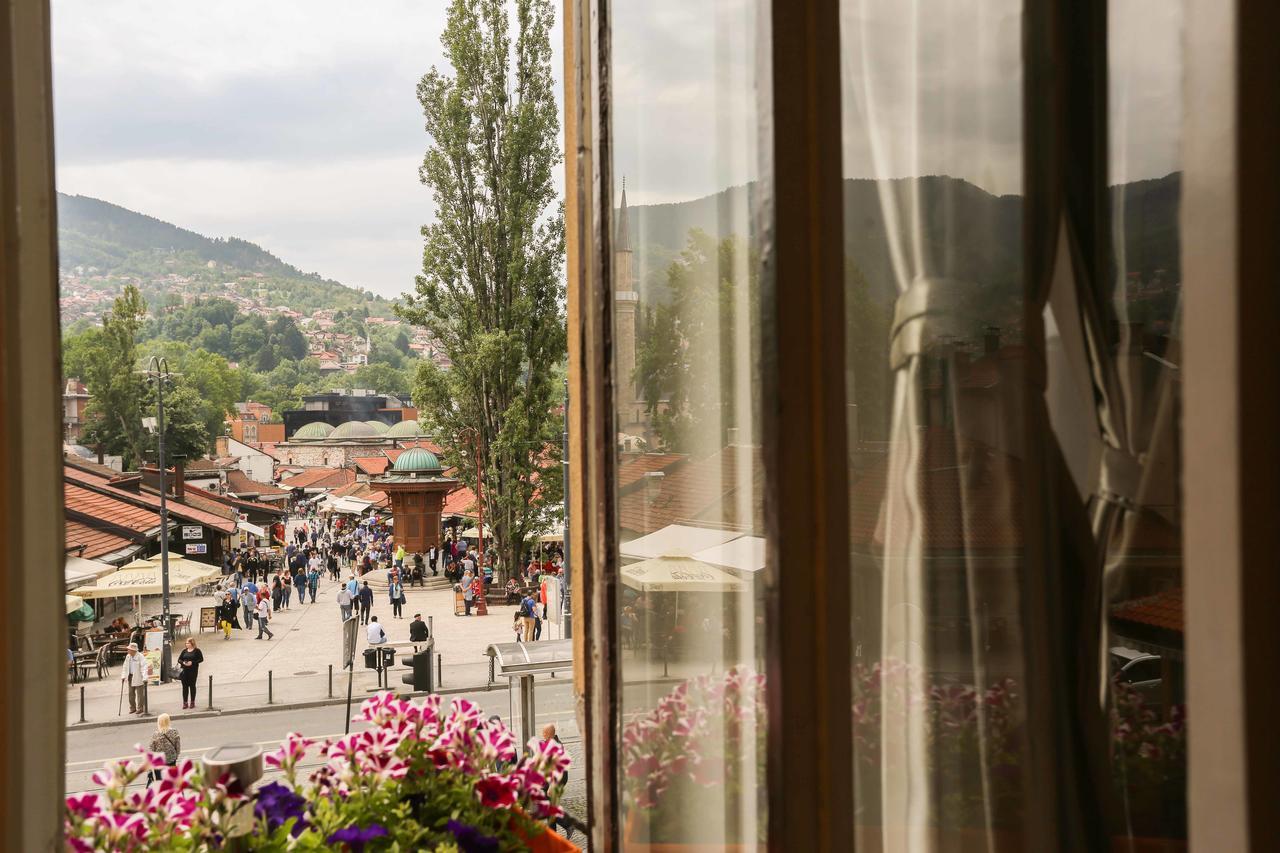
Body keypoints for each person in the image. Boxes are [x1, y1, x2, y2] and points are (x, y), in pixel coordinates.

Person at [147, 714, 181, 784]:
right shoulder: (175, 732)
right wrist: (175, 756)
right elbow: (178, 748)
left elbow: (151, 751)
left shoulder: (155, 735)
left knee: (160, 783)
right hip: (171, 761)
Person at [121, 642, 151, 715]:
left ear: (133, 650)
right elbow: (125, 667)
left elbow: (144, 667)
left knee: (140, 694)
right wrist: (123, 676)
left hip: (138, 676)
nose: (128, 650)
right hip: (130, 676)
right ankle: (132, 708)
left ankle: (140, 708)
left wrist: (145, 677)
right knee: (131, 693)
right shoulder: (128, 656)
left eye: (129, 649)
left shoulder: (140, 656)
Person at [177, 638, 203, 709]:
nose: (186, 644)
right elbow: (179, 659)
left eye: (188, 643)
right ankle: (185, 703)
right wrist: (183, 662)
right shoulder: (184, 651)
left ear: (192, 643)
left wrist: (192, 662)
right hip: (184, 671)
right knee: (184, 687)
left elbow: (201, 659)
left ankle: (192, 702)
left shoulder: (197, 651)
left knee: (192, 686)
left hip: (193, 671)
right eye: (186, 643)